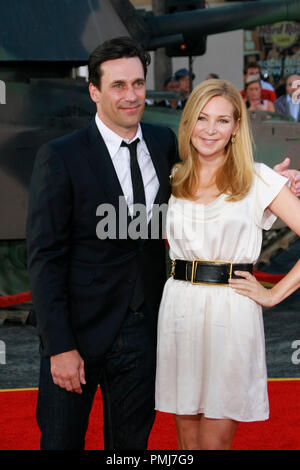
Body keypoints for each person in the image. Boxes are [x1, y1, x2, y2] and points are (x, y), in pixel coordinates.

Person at [26, 36, 178, 450]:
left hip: (143, 332)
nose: (131, 96)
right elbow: (44, 257)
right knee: (61, 443)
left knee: (130, 450)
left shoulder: (165, 143)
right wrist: (59, 347)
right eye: (118, 85)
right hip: (76, 333)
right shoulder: (60, 156)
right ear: (94, 91)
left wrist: (274, 182)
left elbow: (216, 173)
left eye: (138, 83)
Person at [155, 78, 300, 450]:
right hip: (179, 308)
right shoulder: (171, 178)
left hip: (231, 312)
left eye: (222, 121)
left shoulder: (258, 178)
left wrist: (274, 294)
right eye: (202, 118)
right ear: (188, 123)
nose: (210, 130)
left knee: (214, 442)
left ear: (236, 127)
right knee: (186, 442)